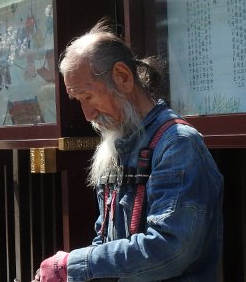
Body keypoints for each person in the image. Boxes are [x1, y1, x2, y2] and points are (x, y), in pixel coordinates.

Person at [32, 20, 224, 281]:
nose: (87, 114)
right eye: (79, 101)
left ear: (122, 77)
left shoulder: (177, 143)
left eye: (88, 96)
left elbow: (170, 249)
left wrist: (73, 263)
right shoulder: (118, 143)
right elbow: (105, 240)